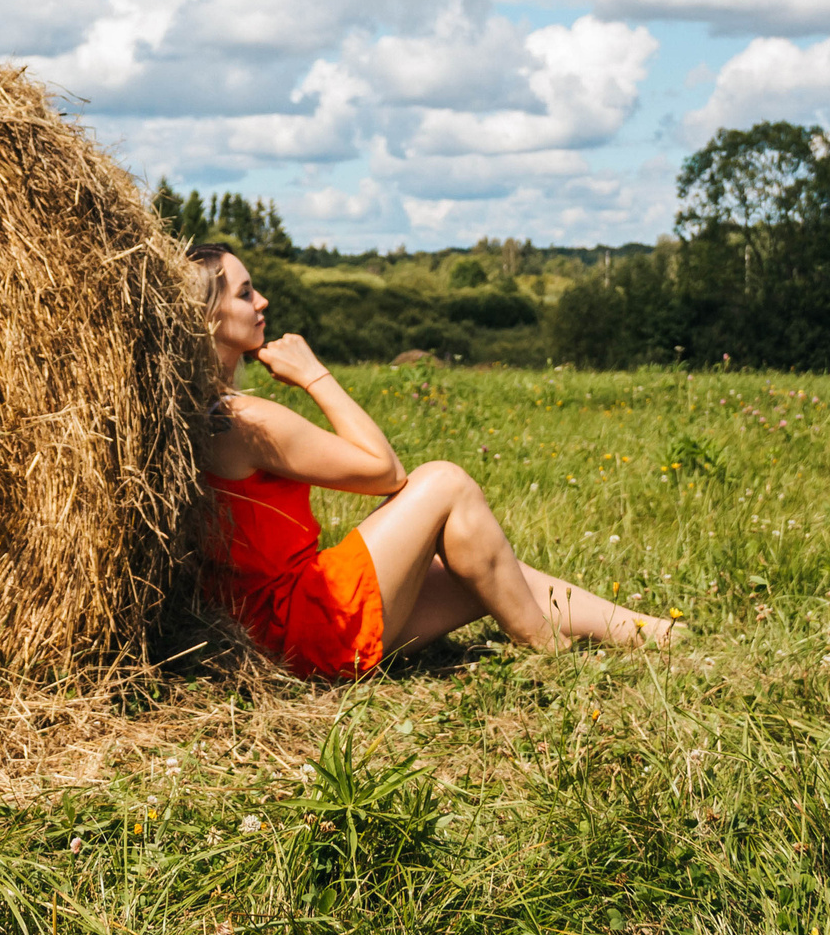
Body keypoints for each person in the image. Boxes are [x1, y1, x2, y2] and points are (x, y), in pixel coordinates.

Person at [190, 242, 677, 679]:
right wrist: (315, 375)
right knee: (444, 482)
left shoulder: (193, 411)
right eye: (245, 293)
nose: (262, 302)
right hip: (299, 626)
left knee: (481, 566)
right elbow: (385, 472)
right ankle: (548, 652)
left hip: (262, 625)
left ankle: (654, 633)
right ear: (209, 316)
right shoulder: (242, 420)